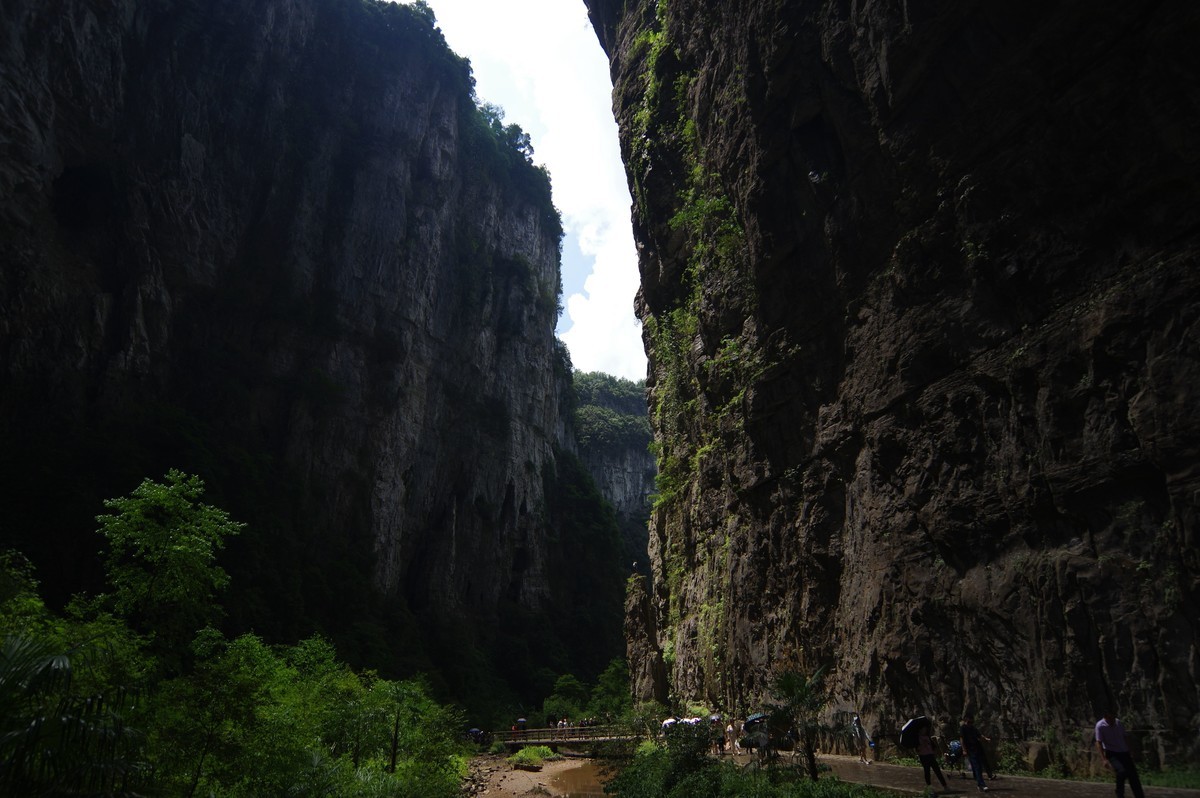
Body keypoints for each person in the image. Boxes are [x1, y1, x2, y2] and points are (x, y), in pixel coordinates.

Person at [1095, 711, 1145, 798]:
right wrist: (1104, 759)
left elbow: (1125, 737)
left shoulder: (1118, 723)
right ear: (1105, 717)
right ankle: (1120, 794)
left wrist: (1130, 750)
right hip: (1112, 753)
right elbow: (1099, 742)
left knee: (1133, 775)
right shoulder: (1100, 726)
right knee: (1121, 772)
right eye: (1110, 719)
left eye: (1113, 718)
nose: (1112, 721)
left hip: (1124, 752)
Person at [918, 718, 950, 794]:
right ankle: (929, 787)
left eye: (925, 729)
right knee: (927, 772)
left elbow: (933, 746)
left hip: (930, 755)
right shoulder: (917, 738)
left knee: (937, 770)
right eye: (923, 729)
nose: (924, 730)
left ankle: (945, 786)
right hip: (923, 756)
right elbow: (917, 748)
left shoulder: (928, 737)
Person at [960, 716, 989, 791]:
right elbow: (962, 739)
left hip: (977, 748)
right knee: (977, 767)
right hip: (970, 749)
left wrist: (985, 739)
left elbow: (979, 735)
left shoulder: (973, 728)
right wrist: (964, 750)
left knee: (977, 766)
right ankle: (982, 784)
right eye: (969, 722)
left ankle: (979, 782)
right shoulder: (963, 728)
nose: (970, 724)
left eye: (972, 722)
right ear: (965, 721)